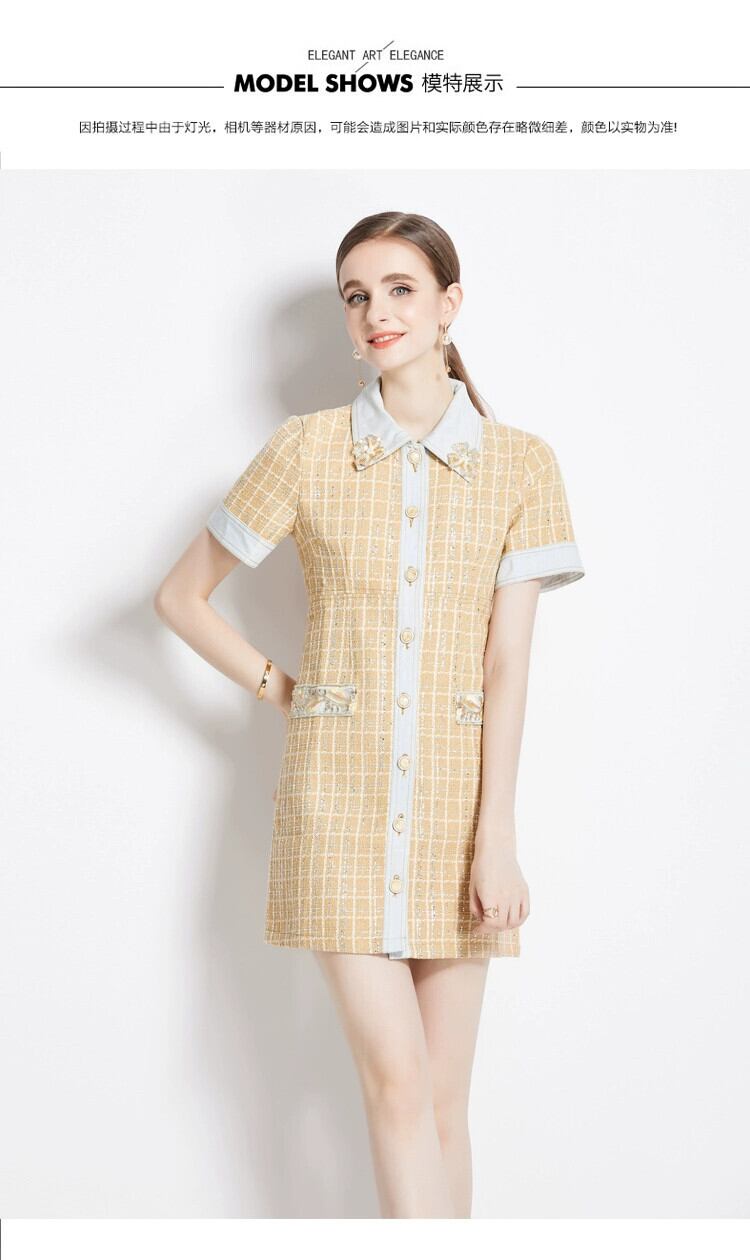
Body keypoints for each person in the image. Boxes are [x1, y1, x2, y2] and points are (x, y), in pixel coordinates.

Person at [154, 210, 585, 1218]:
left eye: (399, 288)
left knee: (442, 1101)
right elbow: (180, 598)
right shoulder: (305, 451)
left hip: (458, 814)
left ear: (449, 304)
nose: (376, 311)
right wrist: (287, 691)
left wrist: (497, 840)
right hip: (336, 809)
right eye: (356, 296)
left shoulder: (522, 464)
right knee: (394, 1085)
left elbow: (509, 662)